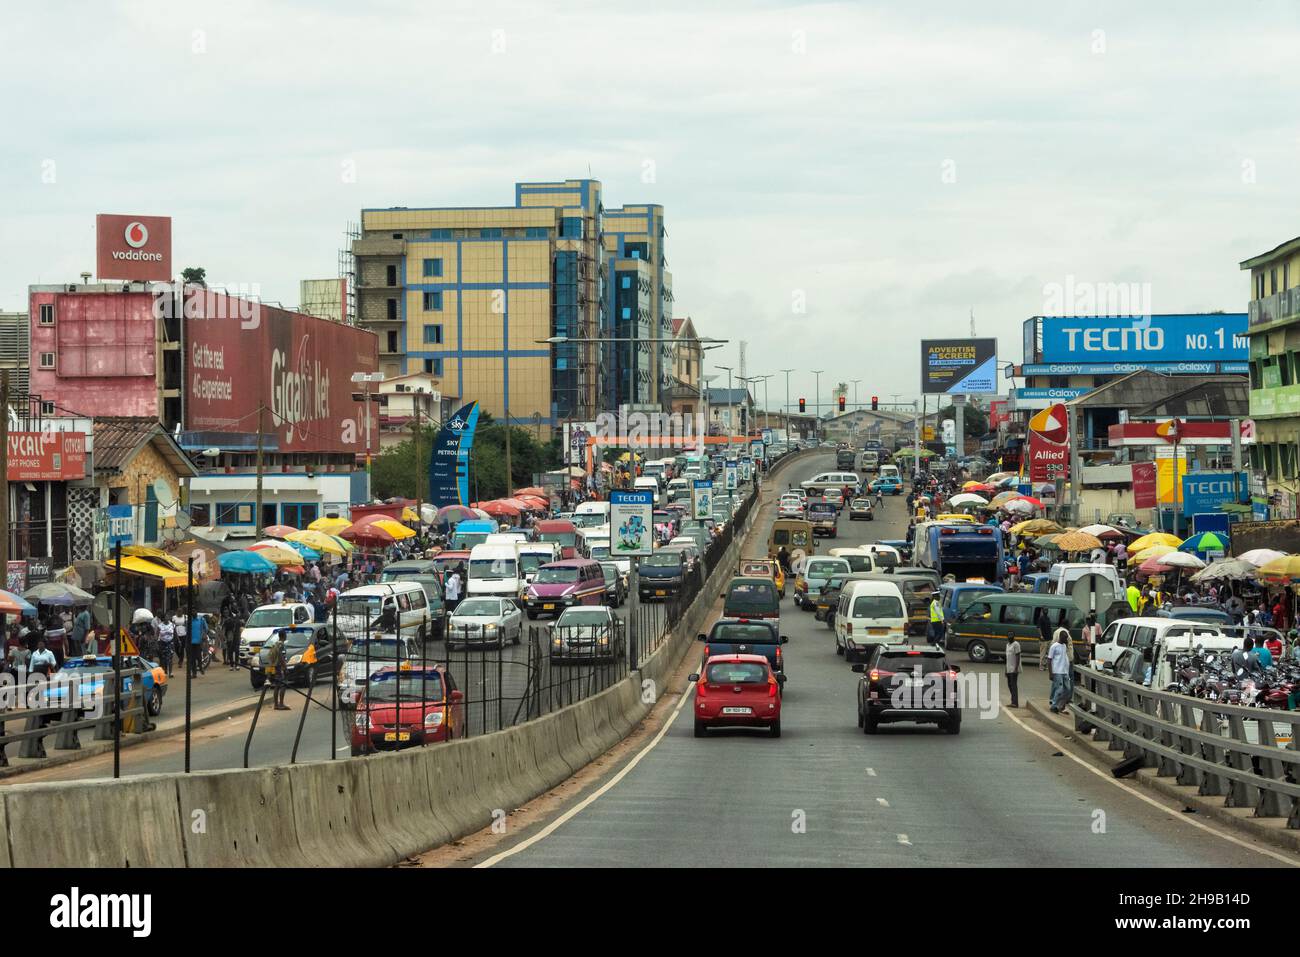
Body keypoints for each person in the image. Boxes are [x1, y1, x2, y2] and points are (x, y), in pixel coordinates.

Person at [263, 630, 290, 710]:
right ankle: (281, 704)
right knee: (283, 685)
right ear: (284, 636)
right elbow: (281, 657)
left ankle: (276, 704)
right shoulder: (281, 645)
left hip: (275, 666)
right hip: (279, 667)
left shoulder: (276, 644)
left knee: (277, 686)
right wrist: (285, 668)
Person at [1047, 629, 1072, 713]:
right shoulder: (1054, 646)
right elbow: (1049, 660)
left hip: (1065, 671)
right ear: (1061, 637)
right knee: (1059, 689)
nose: (1066, 639)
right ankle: (1054, 705)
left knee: (1068, 689)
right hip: (1057, 671)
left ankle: (1060, 705)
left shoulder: (1064, 646)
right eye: (1065, 638)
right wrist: (1050, 673)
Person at [1005, 634, 1022, 708]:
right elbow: (1007, 658)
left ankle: (1015, 703)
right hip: (1008, 668)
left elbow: (1018, 656)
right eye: (1009, 635)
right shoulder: (1007, 645)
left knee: (1013, 685)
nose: (1010, 636)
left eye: (1011, 635)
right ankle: (1013, 701)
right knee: (1009, 685)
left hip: (1014, 669)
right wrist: (1005, 669)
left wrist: (1016, 668)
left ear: (1014, 636)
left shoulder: (1016, 644)